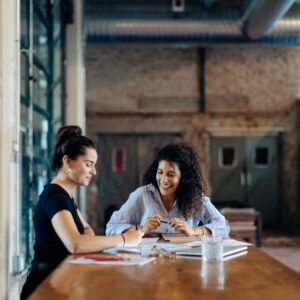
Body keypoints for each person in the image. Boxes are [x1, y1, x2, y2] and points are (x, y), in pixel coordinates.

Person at [21, 126, 143, 299]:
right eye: (89, 164)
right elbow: (77, 244)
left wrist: (85, 240)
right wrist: (124, 240)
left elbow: (88, 233)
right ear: (68, 162)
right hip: (44, 287)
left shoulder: (66, 196)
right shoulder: (55, 196)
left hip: (61, 280)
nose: (93, 171)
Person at [106, 143, 228, 238]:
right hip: (149, 261)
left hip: (184, 261)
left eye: (171, 174)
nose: (164, 180)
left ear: (183, 177)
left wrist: (192, 231)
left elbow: (223, 226)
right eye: (160, 173)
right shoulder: (142, 195)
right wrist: (142, 228)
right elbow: (111, 227)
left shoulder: (195, 198)